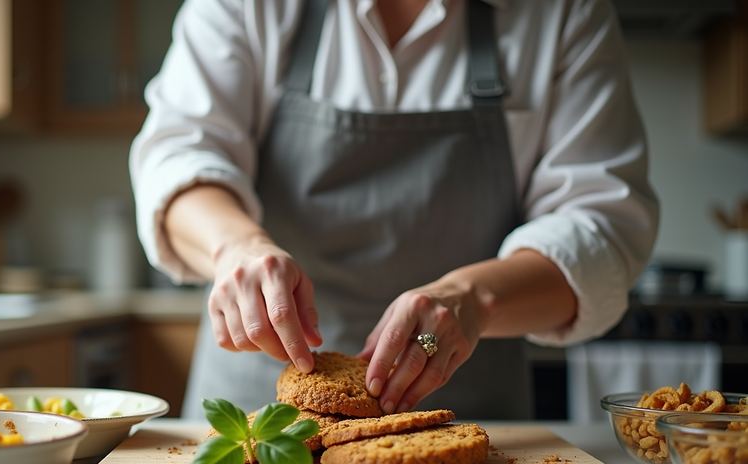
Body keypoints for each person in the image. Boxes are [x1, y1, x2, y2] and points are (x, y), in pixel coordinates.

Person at [129, 0, 659, 420]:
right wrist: (236, 247)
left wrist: (471, 299)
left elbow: (603, 226)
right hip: (260, 413)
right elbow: (178, 157)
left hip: (470, 419)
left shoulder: (565, 12)